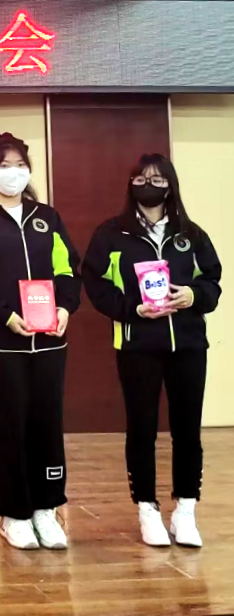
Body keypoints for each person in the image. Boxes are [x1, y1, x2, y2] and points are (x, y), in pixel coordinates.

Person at [81, 153, 221, 548]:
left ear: (170, 186)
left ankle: (186, 510)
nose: (149, 184)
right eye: (142, 178)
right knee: (141, 429)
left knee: (187, 430)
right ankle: (147, 509)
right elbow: (94, 283)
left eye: (158, 179)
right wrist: (131, 309)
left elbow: (212, 282)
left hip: (188, 345)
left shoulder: (190, 234)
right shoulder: (112, 234)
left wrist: (193, 295)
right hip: (137, 345)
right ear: (131, 184)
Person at [0, 132, 81, 551]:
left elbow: (67, 268)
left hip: (48, 343)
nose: (14, 172)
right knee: (7, 425)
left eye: (20, 165)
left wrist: (65, 307)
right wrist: (5, 315)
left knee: (47, 423)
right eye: (4, 165)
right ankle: (15, 512)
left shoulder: (47, 218)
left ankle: (47, 507)